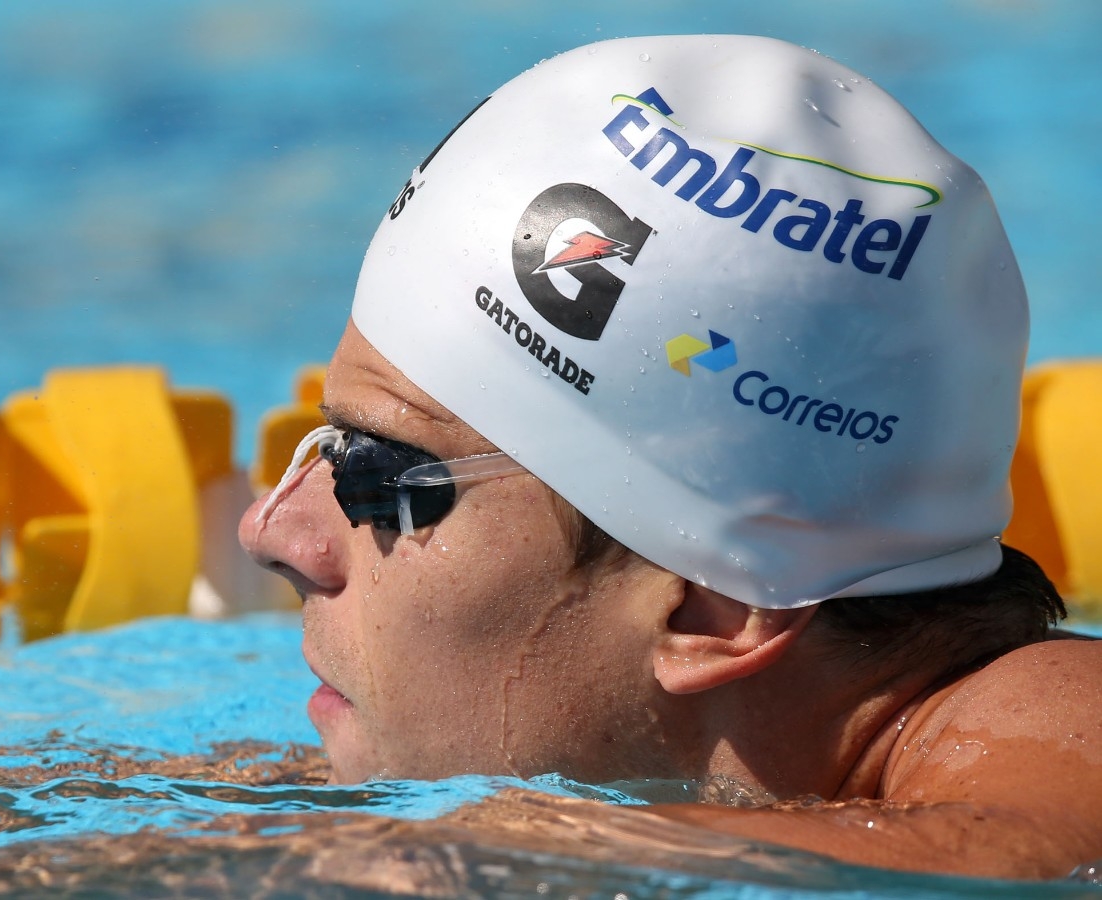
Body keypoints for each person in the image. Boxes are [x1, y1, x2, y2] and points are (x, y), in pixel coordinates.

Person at [239, 34, 1101, 880]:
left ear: (714, 610)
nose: (271, 530)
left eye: (381, 476)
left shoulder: (1055, 723)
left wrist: (447, 854)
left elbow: (1032, 858)